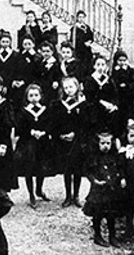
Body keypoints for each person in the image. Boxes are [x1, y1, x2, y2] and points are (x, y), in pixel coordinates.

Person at [50, 75, 91, 207]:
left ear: (77, 87)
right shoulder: (59, 104)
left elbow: (85, 124)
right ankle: (68, 196)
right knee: (67, 169)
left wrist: (75, 134)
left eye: (71, 87)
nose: (68, 90)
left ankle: (76, 195)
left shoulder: (83, 104)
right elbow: (55, 123)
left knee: (77, 169)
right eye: (66, 87)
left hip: (77, 140)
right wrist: (60, 135)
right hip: (63, 141)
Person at [83, 127, 124, 247]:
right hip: (98, 190)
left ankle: (112, 236)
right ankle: (97, 235)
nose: (105, 146)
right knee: (98, 213)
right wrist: (94, 181)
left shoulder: (114, 156)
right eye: (102, 143)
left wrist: (121, 178)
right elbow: (87, 171)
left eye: (108, 143)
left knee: (111, 213)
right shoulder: (94, 157)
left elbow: (120, 168)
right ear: (98, 144)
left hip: (111, 189)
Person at [15, 82, 53, 206]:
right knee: (29, 168)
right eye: (31, 95)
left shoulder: (45, 110)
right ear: (27, 97)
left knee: (41, 168)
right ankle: (31, 193)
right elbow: (19, 128)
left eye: (36, 95)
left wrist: (44, 132)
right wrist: (31, 132)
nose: (34, 98)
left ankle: (39, 190)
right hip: (28, 143)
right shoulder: (23, 111)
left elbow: (50, 124)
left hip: (42, 142)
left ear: (41, 96)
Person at [110, 50, 134, 132]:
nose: (122, 62)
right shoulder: (113, 70)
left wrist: (127, 86)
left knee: (127, 115)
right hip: (118, 97)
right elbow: (112, 81)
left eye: (124, 60)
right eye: (120, 60)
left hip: (127, 97)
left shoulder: (130, 70)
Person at [10, 36, 39, 108]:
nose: (27, 46)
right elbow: (14, 70)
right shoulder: (19, 56)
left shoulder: (37, 57)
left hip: (30, 83)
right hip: (18, 83)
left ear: (33, 44)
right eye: (25, 44)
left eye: (29, 44)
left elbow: (35, 73)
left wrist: (24, 82)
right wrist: (14, 81)